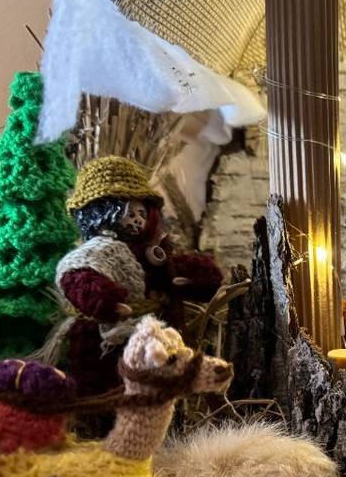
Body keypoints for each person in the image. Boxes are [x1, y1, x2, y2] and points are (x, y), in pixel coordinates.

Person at [56, 156, 222, 394]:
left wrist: (200, 278)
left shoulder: (152, 251)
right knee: (104, 385)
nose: (137, 220)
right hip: (105, 342)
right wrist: (103, 300)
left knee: (158, 386)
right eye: (128, 212)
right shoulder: (93, 252)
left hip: (155, 336)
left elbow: (183, 268)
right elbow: (77, 277)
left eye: (142, 213)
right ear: (104, 212)